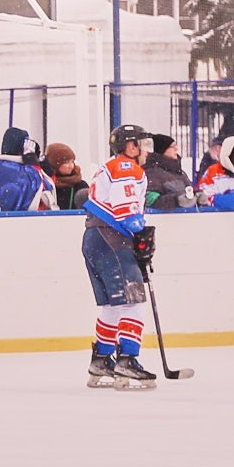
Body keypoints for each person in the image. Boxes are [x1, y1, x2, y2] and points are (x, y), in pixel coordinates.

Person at [82, 122, 158, 389]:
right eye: (142, 143)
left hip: (96, 238)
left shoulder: (111, 167)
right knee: (134, 300)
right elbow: (125, 210)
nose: (146, 150)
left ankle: (102, 359)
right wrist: (140, 234)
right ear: (130, 147)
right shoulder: (126, 167)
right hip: (111, 238)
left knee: (114, 305)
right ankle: (127, 360)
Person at [0, 128, 54, 212]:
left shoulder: (26, 166)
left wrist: (38, 158)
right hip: (15, 219)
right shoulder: (2, 166)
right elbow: (32, 187)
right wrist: (32, 162)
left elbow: (47, 185)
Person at [144, 136, 191, 209]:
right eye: (172, 146)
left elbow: (189, 189)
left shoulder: (179, 172)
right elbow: (151, 201)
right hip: (165, 219)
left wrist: (197, 195)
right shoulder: (152, 173)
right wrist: (176, 201)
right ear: (162, 150)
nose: (176, 148)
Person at [44, 142, 88, 211]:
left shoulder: (80, 186)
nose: (71, 166)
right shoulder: (46, 184)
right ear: (55, 164)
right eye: (66, 162)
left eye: (72, 161)